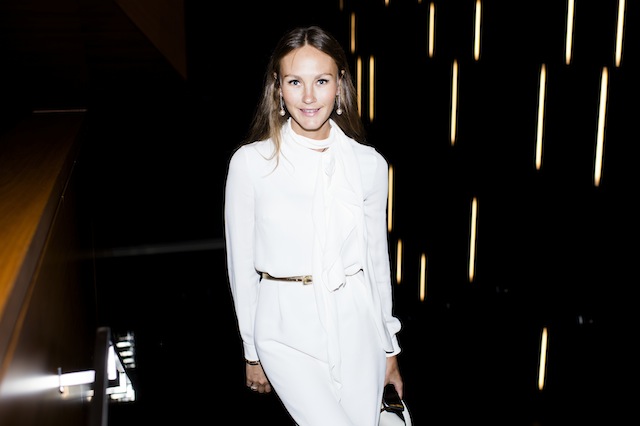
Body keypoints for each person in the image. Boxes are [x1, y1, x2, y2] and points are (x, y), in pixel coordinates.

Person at [223, 25, 404, 426]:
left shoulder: (369, 164)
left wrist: (389, 349)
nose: (308, 97)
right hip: (283, 325)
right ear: (278, 89)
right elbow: (241, 267)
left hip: (356, 318)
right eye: (295, 82)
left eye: (321, 81)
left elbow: (376, 262)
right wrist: (251, 351)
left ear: (340, 86)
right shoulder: (251, 163)